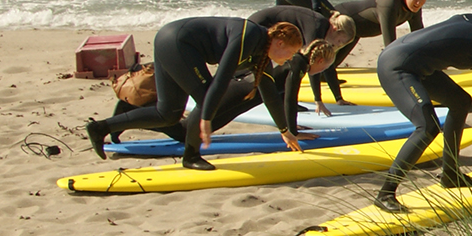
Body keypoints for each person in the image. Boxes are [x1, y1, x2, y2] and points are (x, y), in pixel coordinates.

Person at [85, 18, 306, 170]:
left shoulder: (261, 52)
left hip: (169, 39)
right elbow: (220, 80)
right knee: (207, 99)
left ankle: (101, 127)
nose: (290, 58)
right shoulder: (249, 37)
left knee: (167, 114)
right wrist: (207, 118)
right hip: (178, 43)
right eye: (291, 52)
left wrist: (284, 131)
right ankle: (191, 156)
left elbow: (269, 95)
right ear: (279, 42)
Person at [371, 0, 472, 213]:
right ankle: (386, 193)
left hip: (407, 60)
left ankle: (450, 174)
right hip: (398, 68)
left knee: (460, 101)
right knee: (427, 126)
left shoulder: (470, 20)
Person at [330, 0, 431, 112]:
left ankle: (326, 76)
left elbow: (419, 36)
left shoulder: (415, 6)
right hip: (341, 19)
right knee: (321, 59)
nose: (419, 3)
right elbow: (390, 46)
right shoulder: (389, 2)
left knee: (332, 63)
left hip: (357, 32)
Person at [247, 5, 358, 127]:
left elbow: (328, 66)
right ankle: (285, 115)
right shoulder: (317, 27)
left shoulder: (322, 31)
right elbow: (312, 64)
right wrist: (318, 100)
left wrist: (338, 98)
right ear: (334, 29)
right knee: (289, 68)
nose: (338, 45)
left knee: (291, 67)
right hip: (260, 26)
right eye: (339, 41)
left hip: (270, 29)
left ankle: (285, 109)